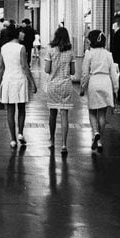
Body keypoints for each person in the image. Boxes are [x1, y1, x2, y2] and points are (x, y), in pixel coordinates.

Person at [0, 25, 37, 149]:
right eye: (21, 33)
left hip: (8, 80)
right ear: (16, 34)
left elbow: (1, 68)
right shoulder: (21, 48)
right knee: (22, 109)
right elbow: (25, 66)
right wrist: (33, 82)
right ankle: (20, 133)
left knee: (10, 111)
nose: (22, 34)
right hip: (20, 80)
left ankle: (13, 139)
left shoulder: (3, 48)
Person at [80, 29, 118, 154]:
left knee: (92, 111)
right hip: (106, 82)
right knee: (102, 114)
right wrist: (115, 88)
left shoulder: (89, 54)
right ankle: (99, 140)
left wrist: (82, 87)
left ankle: (95, 132)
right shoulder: (108, 54)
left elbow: (85, 73)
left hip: (94, 82)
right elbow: (114, 73)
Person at [44, 26, 75, 155]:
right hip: (66, 85)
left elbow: (46, 69)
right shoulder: (70, 52)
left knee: (52, 114)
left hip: (53, 85)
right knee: (64, 115)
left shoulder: (50, 50)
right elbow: (73, 72)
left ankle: (51, 140)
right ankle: (63, 144)